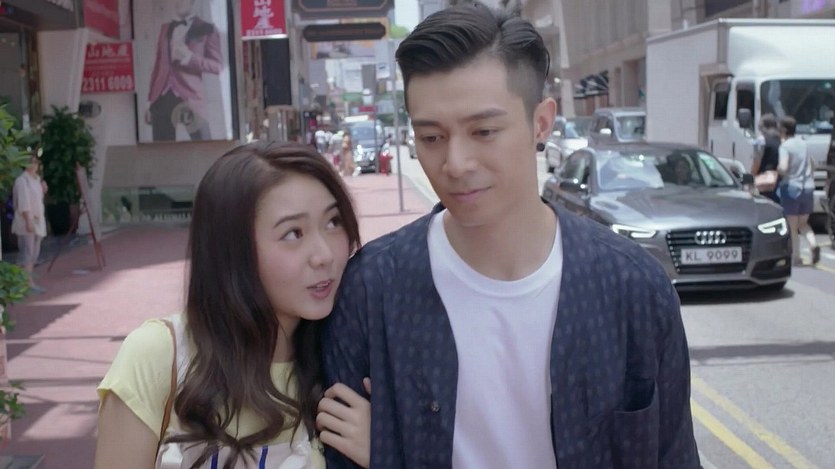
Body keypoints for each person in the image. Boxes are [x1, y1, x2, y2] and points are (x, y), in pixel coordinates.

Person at [322, 2, 700, 468]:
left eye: (483, 131)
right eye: (432, 138)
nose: (456, 164)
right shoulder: (373, 291)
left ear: (541, 122)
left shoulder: (632, 288)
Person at [95, 142, 371, 469]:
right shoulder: (159, 355)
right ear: (232, 251)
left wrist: (384, 453)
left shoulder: (350, 359)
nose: (324, 255)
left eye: (333, 222)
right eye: (293, 233)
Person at [145, 0, 222, 142]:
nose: (177, 3)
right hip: (162, 97)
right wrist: (150, 101)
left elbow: (217, 66)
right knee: (162, 150)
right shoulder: (165, 28)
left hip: (190, 96)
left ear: (192, 2)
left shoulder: (207, 28)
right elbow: (158, 65)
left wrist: (190, 58)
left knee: (205, 146)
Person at [777, 116, 820, 266]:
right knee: (803, 223)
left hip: (791, 187)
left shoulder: (785, 146)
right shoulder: (803, 143)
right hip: (808, 187)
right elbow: (813, 164)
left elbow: (783, 167)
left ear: (783, 130)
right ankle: (813, 244)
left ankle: (797, 257)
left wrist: (777, 171)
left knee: (792, 226)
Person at [11, 153, 47, 294]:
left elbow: (37, 199)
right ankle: (27, 283)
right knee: (27, 253)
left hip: (37, 221)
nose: (33, 165)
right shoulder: (22, 181)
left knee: (33, 254)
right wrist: (28, 221)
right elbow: (23, 203)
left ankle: (24, 282)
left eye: (35, 162)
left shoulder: (36, 180)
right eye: (30, 162)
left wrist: (43, 189)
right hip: (27, 221)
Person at [751, 113, 781, 202]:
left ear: (763, 127)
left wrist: (751, 177)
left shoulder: (762, 140)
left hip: (765, 179)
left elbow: (757, 161)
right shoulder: (781, 139)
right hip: (778, 179)